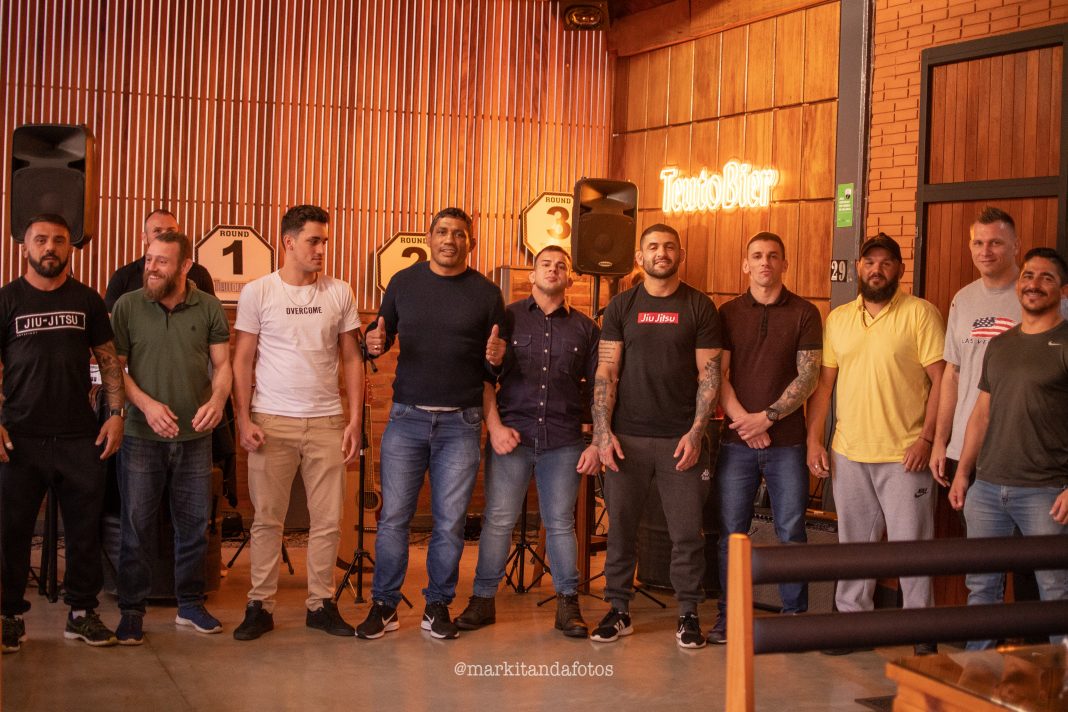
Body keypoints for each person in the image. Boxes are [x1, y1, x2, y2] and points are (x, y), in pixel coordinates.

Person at [357, 207, 506, 641]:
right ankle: (384, 605)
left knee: (449, 523)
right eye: (442, 232)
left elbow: (495, 364)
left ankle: (437, 606)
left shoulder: (486, 293)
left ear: (470, 243)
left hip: (461, 423)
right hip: (407, 419)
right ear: (429, 237)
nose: (450, 240)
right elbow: (379, 338)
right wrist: (371, 342)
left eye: (459, 234)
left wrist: (499, 360)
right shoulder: (403, 283)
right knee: (393, 519)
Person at [806, 233, 945, 656]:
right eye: (870, 262)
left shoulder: (921, 313)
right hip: (849, 452)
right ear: (858, 267)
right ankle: (853, 627)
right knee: (854, 548)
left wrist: (927, 439)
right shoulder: (839, 318)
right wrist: (814, 439)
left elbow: (942, 380)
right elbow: (824, 386)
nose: (877, 269)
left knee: (912, 550)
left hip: (906, 456)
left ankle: (922, 633)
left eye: (886, 262)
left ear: (900, 269)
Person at [231, 204, 363, 641]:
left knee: (328, 521)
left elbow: (351, 358)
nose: (321, 248)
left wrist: (354, 421)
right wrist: (242, 418)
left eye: (324, 240)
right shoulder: (258, 292)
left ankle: (320, 604)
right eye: (313, 240)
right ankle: (260, 605)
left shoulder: (339, 292)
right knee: (267, 520)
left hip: (326, 421)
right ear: (288, 242)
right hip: (271, 421)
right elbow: (242, 359)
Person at [455, 245, 601, 637]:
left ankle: (567, 606)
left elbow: (598, 390)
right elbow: (484, 380)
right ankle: (482, 600)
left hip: (564, 441)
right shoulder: (506, 318)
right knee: (498, 521)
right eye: (545, 264)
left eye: (561, 266)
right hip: (512, 438)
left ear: (570, 278)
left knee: (560, 524)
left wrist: (595, 441)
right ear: (532, 275)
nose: (553, 270)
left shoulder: (586, 329)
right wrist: (495, 428)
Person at [591, 223, 722, 649]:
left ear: (680, 254)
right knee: (621, 531)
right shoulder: (622, 305)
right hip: (626, 440)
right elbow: (607, 371)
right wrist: (603, 434)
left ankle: (688, 614)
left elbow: (709, 375)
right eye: (652, 247)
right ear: (640, 257)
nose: (661, 253)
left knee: (686, 534)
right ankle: (618, 610)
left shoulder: (699, 306)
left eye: (668, 246)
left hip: (680, 441)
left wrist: (697, 433)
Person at [1, 213, 126, 653]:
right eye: (41, 240)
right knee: (11, 532)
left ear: (70, 247)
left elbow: (109, 360)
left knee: (83, 532)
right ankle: (9, 616)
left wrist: (116, 413)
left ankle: (81, 614)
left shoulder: (87, 300)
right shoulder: (7, 300)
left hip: (78, 437)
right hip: (20, 437)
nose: (49, 247)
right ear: (25, 247)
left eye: (58, 240)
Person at [109, 230, 232, 644]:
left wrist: (218, 400)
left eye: (162, 261)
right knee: (136, 528)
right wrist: (146, 406)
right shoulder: (127, 306)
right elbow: (116, 370)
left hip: (195, 437)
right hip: (141, 436)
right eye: (149, 259)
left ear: (185, 266)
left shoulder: (209, 306)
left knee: (194, 527)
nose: (151, 267)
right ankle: (131, 610)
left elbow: (223, 366)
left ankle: (190, 605)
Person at [948, 247, 1068, 648]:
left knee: (1056, 589)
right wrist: (964, 473)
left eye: (1047, 278)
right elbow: (981, 415)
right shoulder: (1000, 345)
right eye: (1029, 276)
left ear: (1063, 290)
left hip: (1046, 492)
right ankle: (977, 674)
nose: (1034, 284)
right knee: (981, 588)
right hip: (987, 488)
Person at [710, 231, 822, 644]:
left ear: (784, 264)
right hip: (736, 443)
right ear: (746, 264)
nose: (764, 262)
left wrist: (768, 418)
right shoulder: (727, 313)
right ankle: (730, 618)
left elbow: (808, 376)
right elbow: (717, 374)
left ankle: (794, 618)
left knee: (791, 532)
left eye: (773, 256)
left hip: (787, 443)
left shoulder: (806, 312)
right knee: (731, 536)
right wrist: (746, 422)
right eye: (756, 256)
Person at [931, 207, 1068, 484]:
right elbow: (953, 375)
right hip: (964, 449)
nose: (985, 251)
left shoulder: (1045, 297)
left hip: (1029, 458)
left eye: (995, 242)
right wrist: (940, 441)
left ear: (1016, 246)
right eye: (978, 243)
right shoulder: (962, 299)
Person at [104, 209, 215, 311]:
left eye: (171, 231)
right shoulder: (123, 277)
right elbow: (110, 320)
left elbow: (210, 312)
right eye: (157, 231)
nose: (165, 235)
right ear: (144, 238)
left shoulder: (199, 274)